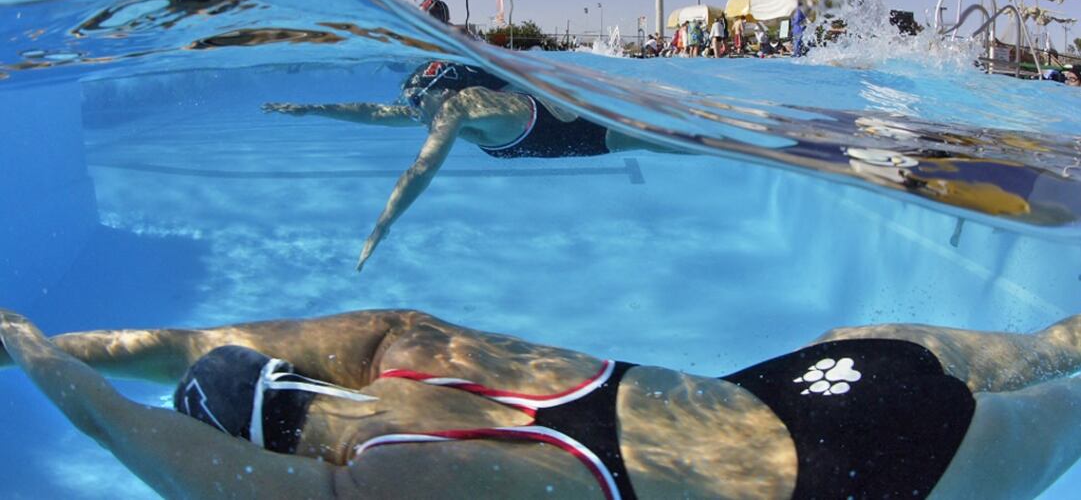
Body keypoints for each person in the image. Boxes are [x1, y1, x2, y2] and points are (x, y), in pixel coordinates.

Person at [6, 306, 1081, 498]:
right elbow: (186, 348)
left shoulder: (393, 486)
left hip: (871, 477)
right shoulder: (407, 342)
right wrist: (35, 341)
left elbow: (118, 424)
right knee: (1054, 346)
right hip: (832, 372)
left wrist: (54, 370)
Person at [263, 56, 674, 271]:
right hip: (565, 136)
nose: (411, 110)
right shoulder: (440, 106)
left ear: (441, 91)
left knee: (662, 139)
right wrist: (310, 109)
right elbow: (373, 112)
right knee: (653, 141)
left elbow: (420, 169)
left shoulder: (459, 105)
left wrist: (381, 226)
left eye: (415, 101)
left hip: (575, 123)